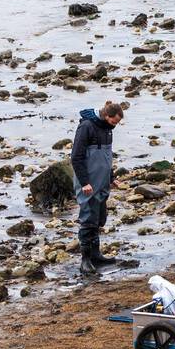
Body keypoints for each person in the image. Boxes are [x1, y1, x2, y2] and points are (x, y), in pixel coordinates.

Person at [70, 101, 123, 276]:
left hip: (101, 182)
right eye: (114, 122)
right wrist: (85, 182)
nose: (115, 126)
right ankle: (85, 260)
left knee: (99, 218)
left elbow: (107, 158)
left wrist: (111, 178)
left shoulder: (108, 130)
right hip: (88, 183)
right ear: (106, 116)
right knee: (88, 219)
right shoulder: (86, 127)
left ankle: (96, 255)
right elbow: (76, 157)